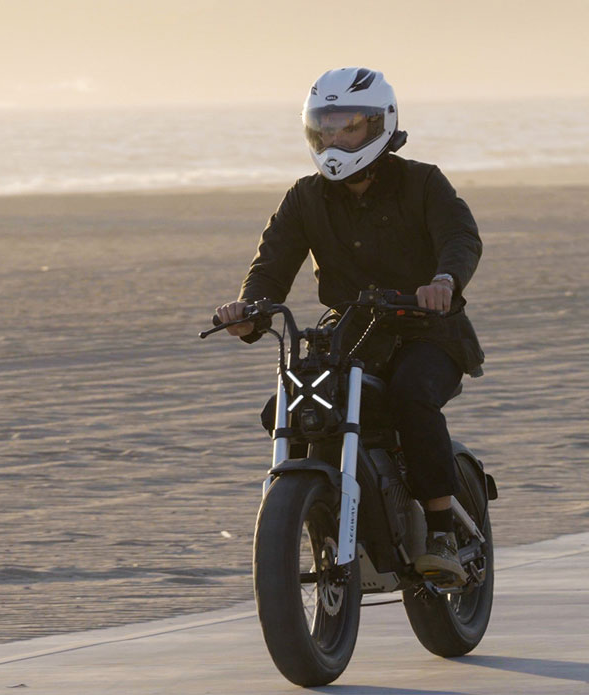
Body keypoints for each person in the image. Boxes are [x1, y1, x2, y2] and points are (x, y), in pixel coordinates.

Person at [216, 67, 483, 587]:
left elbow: (461, 237)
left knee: (410, 395)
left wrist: (444, 281)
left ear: (379, 124)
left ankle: (443, 530)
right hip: (352, 332)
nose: (335, 139)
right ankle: (308, 516)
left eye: (347, 127)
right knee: (289, 408)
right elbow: (272, 265)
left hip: (430, 331)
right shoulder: (305, 197)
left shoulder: (423, 181)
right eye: (325, 127)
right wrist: (249, 310)